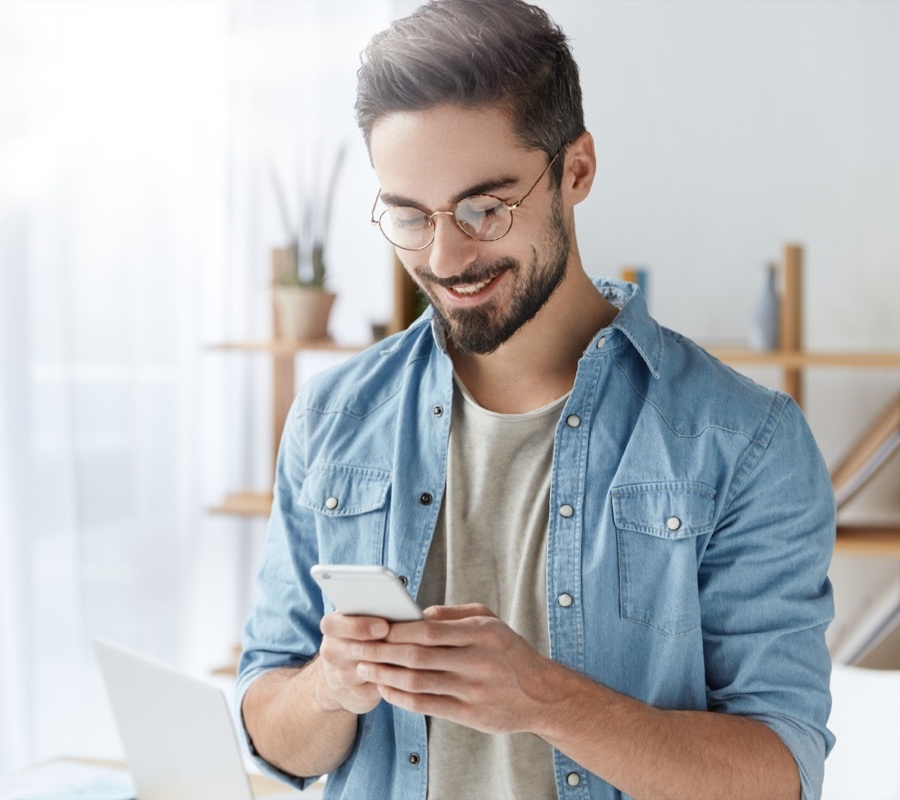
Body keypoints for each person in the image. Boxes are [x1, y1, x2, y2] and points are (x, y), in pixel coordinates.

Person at [235, 1, 836, 798]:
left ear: (576, 170)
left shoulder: (744, 441)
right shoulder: (333, 418)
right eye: (411, 216)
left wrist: (544, 699)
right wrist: (329, 686)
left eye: (486, 207)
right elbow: (269, 732)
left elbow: (779, 775)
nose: (446, 256)